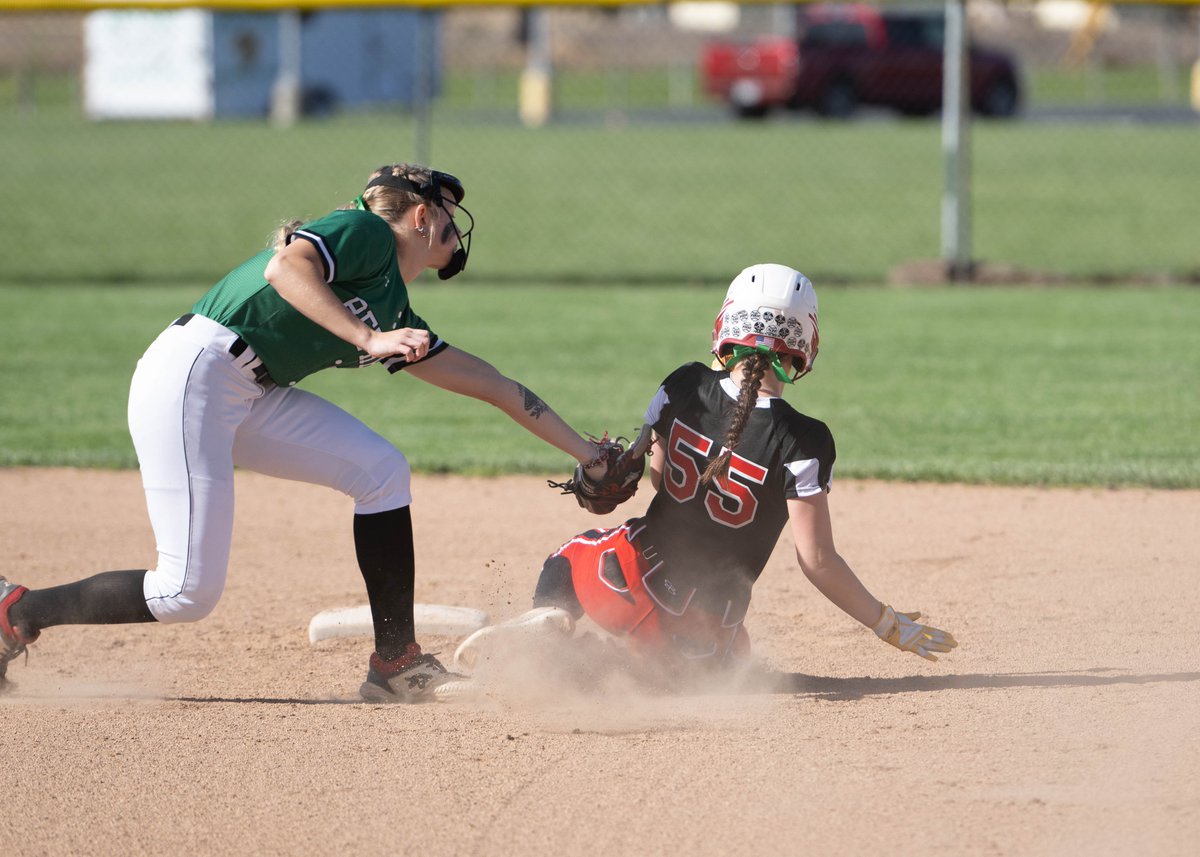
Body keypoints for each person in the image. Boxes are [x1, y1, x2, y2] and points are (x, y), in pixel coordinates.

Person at [0, 163, 617, 703]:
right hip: (194, 375)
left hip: (247, 389)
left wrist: (590, 455)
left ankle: (396, 665)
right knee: (185, 591)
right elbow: (285, 268)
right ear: (422, 216)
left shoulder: (394, 307)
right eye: (450, 215)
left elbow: (491, 383)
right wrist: (368, 338)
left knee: (381, 472)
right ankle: (16, 610)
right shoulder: (366, 232)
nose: (456, 229)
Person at [453, 263, 957, 686]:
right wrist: (887, 623)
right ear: (805, 344)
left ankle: (550, 623)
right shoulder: (806, 439)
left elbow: (654, 478)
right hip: (704, 637)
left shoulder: (685, 383)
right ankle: (602, 671)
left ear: (726, 326)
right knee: (732, 659)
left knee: (573, 553)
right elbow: (818, 561)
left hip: (621, 584)